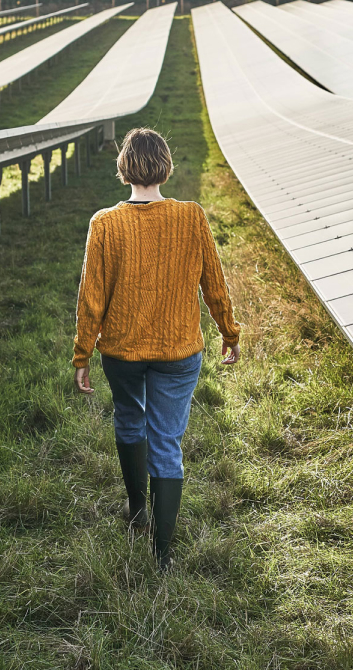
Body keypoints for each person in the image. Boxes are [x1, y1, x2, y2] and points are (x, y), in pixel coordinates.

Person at [72, 127, 241, 570]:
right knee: (167, 441)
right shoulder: (192, 217)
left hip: (122, 352)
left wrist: (82, 354)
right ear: (166, 166)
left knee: (129, 419)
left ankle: (138, 510)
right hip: (179, 351)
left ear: (124, 167)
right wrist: (229, 331)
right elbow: (214, 283)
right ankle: (162, 555)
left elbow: (91, 297)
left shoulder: (105, 224)